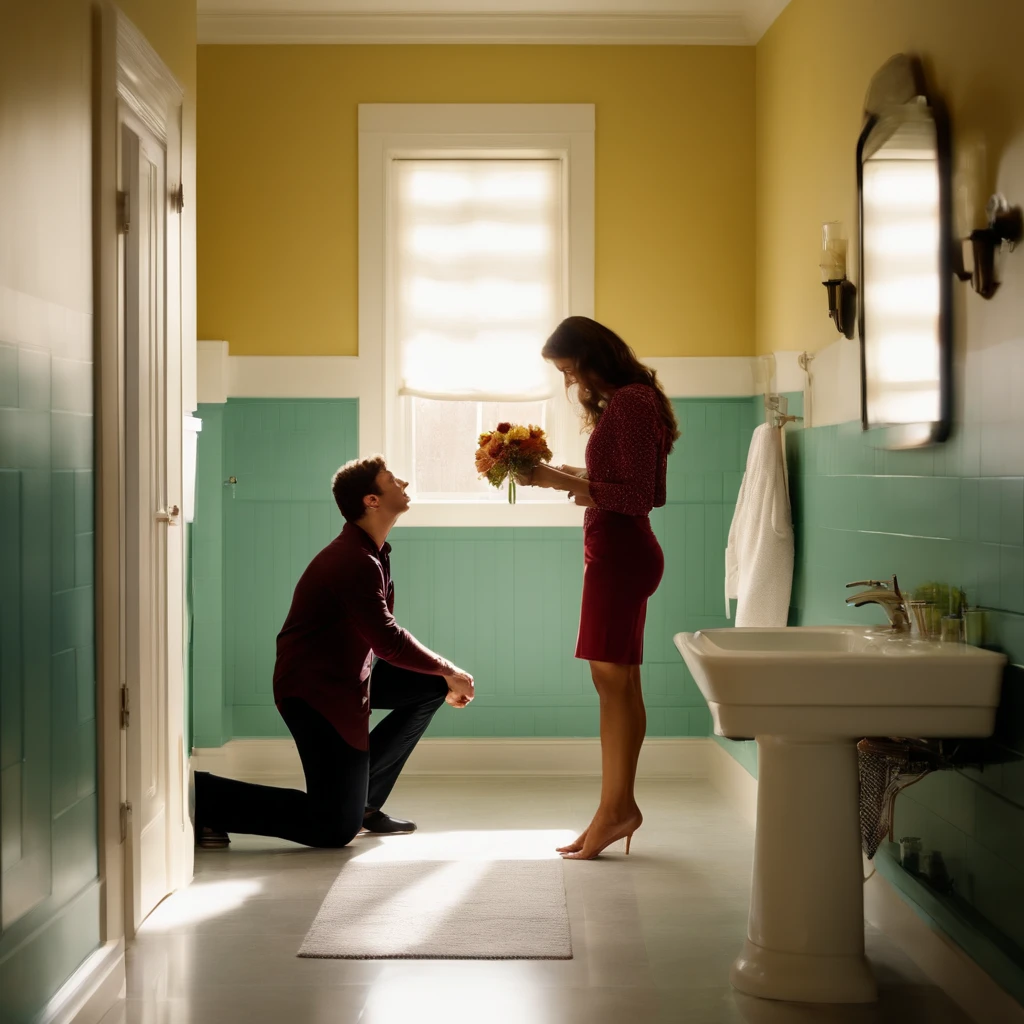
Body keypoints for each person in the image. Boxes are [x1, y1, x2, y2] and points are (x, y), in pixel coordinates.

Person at [194, 456, 476, 849]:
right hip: (316, 693)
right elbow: (388, 641)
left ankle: (364, 804)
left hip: (348, 679)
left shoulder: (372, 553)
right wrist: (450, 669)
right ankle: (201, 797)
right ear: (371, 500)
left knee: (429, 685)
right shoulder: (352, 560)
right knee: (332, 829)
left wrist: (441, 675)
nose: (405, 483)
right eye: (392, 480)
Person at [517, 316, 679, 860]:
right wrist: (568, 475)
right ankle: (615, 809)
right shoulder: (634, 400)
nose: (569, 382)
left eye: (570, 369)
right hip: (620, 553)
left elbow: (638, 497)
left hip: (620, 554)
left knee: (612, 685)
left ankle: (616, 810)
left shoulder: (631, 402)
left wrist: (557, 482)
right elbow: (632, 487)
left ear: (593, 357)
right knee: (621, 684)